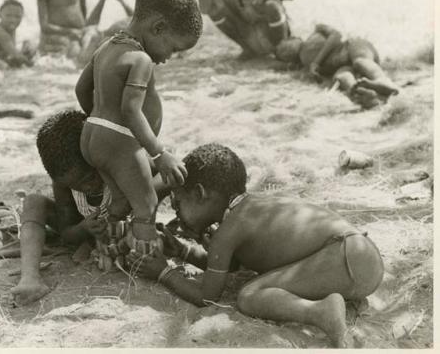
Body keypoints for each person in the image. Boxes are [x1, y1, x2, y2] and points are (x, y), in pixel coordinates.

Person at [128, 143, 384, 348]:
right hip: (360, 257)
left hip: (346, 259)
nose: (176, 212)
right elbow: (232, 266)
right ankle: (341, 299)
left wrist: (164, 273)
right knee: (259, 283)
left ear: (199, 193)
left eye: (178, 202)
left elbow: (207, 296)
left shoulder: (228, 232)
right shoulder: (252, 208)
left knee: (249, 296)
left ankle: (321, 312)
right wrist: (184, 251)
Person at [78, 0, 203, 254]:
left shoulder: (106, 47)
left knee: (122, 202)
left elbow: (81, 89)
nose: (169, 58)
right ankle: (144, 262)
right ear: (158, 28)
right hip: (119, 140)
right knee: (145, 205)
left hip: (93, 136)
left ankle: (105, 247)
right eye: (173, 48)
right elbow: (130, 111)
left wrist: (97, 121)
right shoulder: (141, 59)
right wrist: (159, 154)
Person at [10, 110, 170, 305]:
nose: (87, 187)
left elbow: (166, 175)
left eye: (89, 177)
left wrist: (133, 199)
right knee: (33, 202)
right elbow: (66, 233)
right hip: (88, 231)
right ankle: (30, 278)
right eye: (76, 185)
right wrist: (84, 229)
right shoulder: (64, 183)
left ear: (97, 157)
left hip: (124, 232)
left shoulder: (119, 162)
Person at [275, 24, 400, 109]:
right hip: (342, 65)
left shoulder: (317, 30)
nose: (283, 51)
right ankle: (362, 93)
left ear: (294, 38)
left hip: (351, 46)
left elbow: (336, 35)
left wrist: (316, 62)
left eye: (282, 45)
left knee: (360, 62)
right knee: (341, 77)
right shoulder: (304, 65)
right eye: (282, 55)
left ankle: (382, 81)